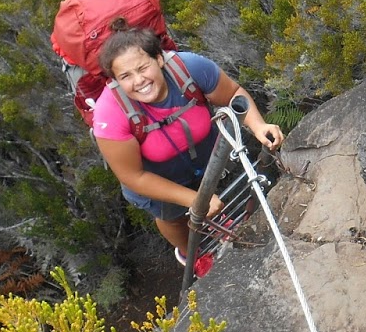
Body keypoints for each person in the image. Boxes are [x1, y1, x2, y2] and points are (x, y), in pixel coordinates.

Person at [92, 19, 283, 268]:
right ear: (115, 79)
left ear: (159, 59)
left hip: (205, 153)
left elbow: (232, 94)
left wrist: (258, 125)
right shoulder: (110, 114)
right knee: (171, 217)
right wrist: (195, 199)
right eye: (125, 76)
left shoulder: (189, 68)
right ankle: (192, 255)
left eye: (142, 68)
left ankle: (222, 223)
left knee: (222, 191)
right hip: (157, 178)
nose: (138, 81)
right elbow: (133, 176)